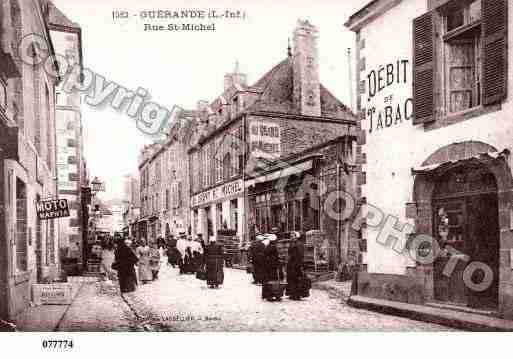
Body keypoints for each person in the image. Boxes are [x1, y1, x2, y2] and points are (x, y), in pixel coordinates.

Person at [262, 234, 283, 301]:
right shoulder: (272, 247)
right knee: (272, 280)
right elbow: (274, 257)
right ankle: (271, 294)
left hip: (267, 266)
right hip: (272, 266)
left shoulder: (267, 247)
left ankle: (266, 294)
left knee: (268, 280)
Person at [286, 231, 306, 300]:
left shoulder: (299, 244)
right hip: (291, 264)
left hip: (296, 264)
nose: (291, 237)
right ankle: (292, 293)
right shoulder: (292, 243)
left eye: (293, 236)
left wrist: (299, 264)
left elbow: (300, 255)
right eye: (290, 236)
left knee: (296, 280)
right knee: (291, 279)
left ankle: (297, 294)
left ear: (296, 237)